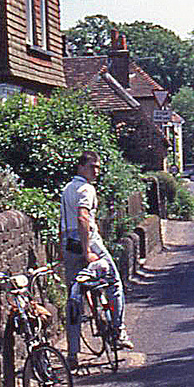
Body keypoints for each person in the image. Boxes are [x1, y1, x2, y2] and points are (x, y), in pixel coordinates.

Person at [59, 151, 132, 368]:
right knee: (114, 282)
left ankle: (72, 354)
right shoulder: (86, 189)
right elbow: (83, 218)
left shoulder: (66, 189)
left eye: (98, 167)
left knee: (74, 299)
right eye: (92, 167)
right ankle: (118, 331)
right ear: (81, 167)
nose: (96, 171)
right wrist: (87, 250)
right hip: (88, 241)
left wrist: (62, 247)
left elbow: (62, 220)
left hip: (68, 243)